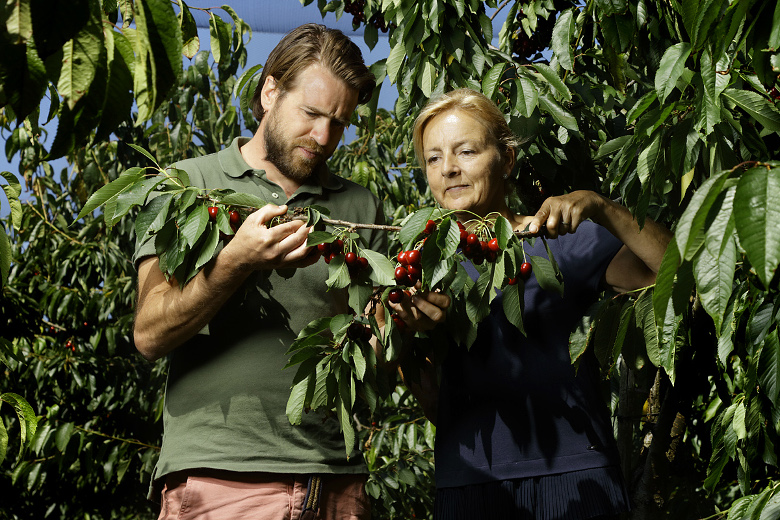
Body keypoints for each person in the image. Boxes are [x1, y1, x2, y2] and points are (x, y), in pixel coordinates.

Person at [133, 24, 384, 520]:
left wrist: (397, 322)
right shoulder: (189, 186)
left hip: (335, 481)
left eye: (339, 122)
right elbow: (149, 332)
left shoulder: (358, 206)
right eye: (311, 114)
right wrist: (236, 260)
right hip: (221, 478)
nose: (324, 137)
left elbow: (369, 359)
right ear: (270, 91)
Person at [410, 88, 672, 520]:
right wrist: (398, 333)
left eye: (467, 151)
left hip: (578, 475)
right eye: (433, 158)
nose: (449, 169)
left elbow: (672, 276)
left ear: (507, 160)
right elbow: (430, 398)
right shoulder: (421, 264)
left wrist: (605, 209)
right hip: (470, 481)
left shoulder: (559, 237)